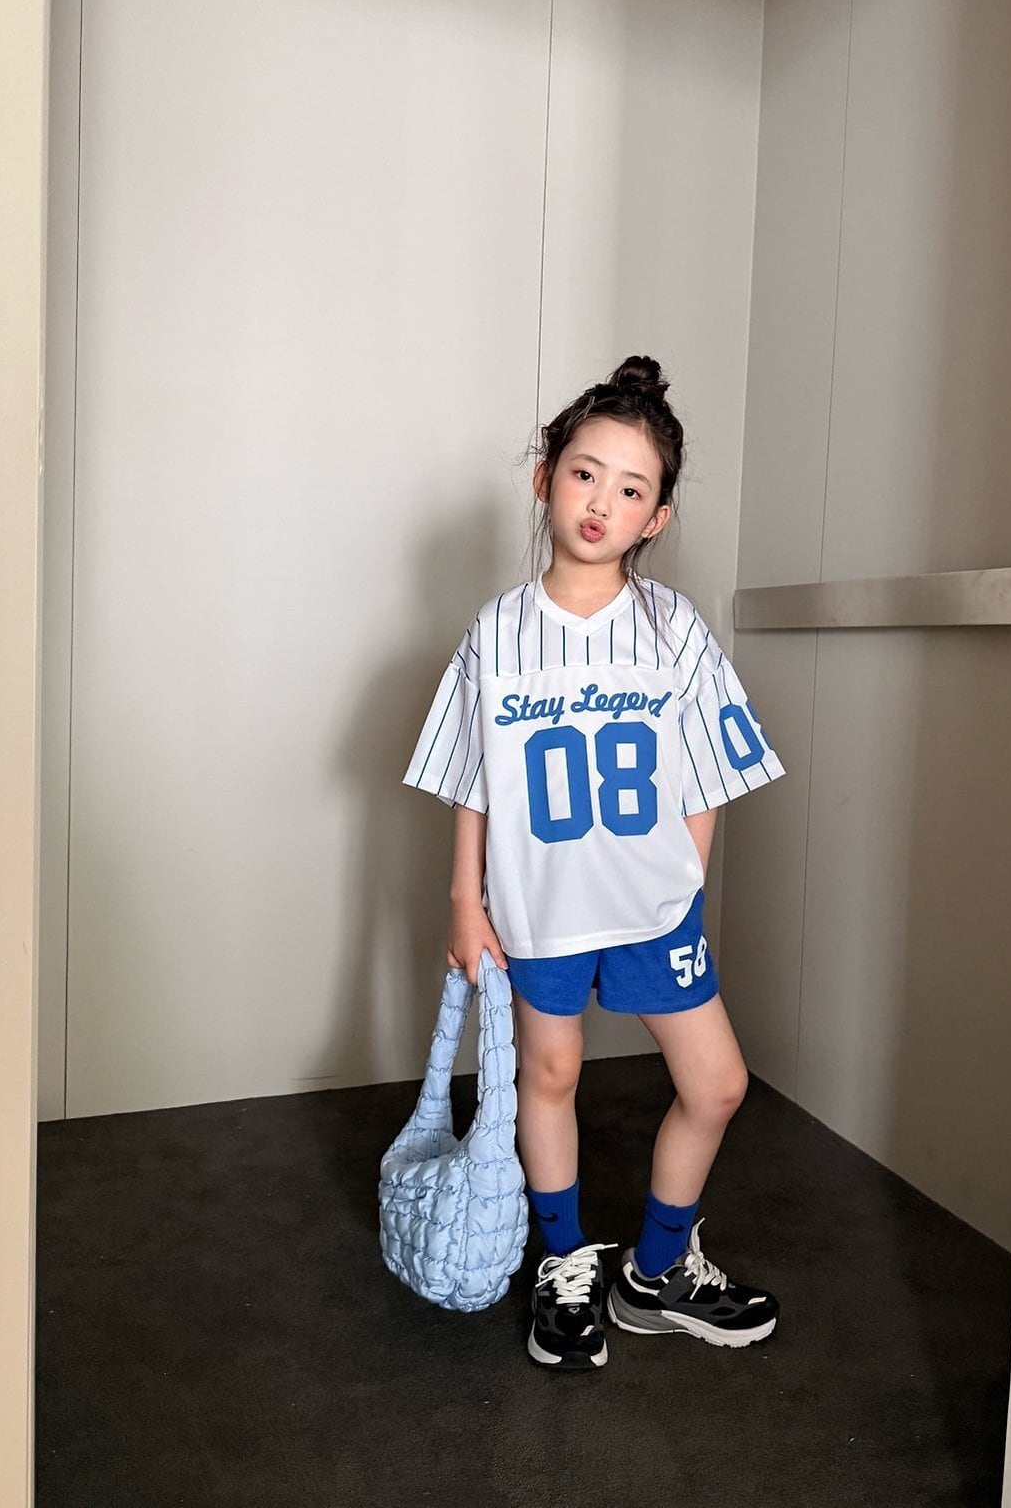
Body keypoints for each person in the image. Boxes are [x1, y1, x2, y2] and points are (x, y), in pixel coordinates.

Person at [402, 354, 786, 1370]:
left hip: (651, 906)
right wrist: (465, 901)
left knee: (715, 1082)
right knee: (550, 1072)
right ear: (544, 477)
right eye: (584, 473)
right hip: (539, 907)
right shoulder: (496, 633)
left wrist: (681, 887)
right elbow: (473, 779)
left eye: (630, 488)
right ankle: (564, 1261)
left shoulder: (673, 629)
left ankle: (654, 1273)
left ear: (656, 516)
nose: (600, 501)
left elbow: (706, 777)